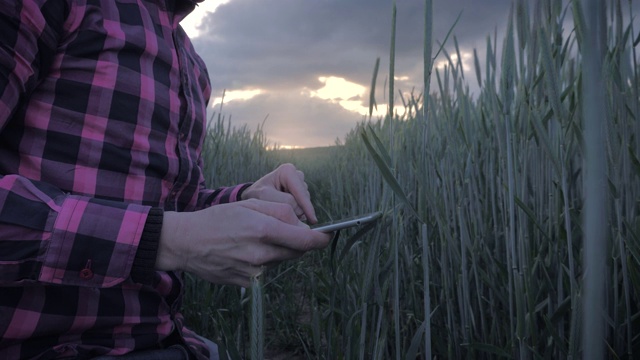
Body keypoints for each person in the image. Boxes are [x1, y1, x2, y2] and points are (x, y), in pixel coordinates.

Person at [0, 0, 332, 359]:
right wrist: (171, 239)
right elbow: (170, 231)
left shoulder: (191, 64)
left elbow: (173, 208)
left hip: (172, 340)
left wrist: (247, 200)